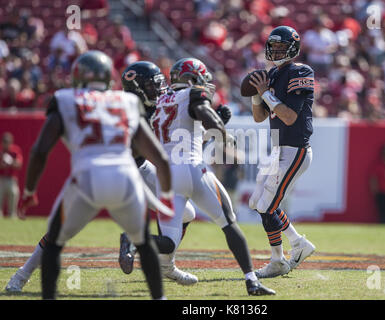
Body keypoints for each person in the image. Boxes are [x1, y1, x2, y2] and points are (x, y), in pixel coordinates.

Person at [7, 50, 174, 300]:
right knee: (144, 242)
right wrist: (168, 194)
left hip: (87, 178)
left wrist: (29, 191)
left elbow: (40, 150)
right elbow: (160, 157)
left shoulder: (64, 99)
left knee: (55, 240)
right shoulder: (127, 103)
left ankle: (26, 280)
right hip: (125, 177)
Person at [150, 57, 275, 296]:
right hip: (194, 168)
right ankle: (252, 281)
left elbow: (182, 135)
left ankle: (134, 241)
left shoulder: (159, 103)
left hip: (167, 175)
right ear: (193, 78)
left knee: (168, 242)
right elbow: (205, 115)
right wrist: (222, 133)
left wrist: (210, 131)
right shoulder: (193, 94)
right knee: (228, 222)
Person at [118, 61, 198, 285]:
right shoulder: (131, 112)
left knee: (187, 214)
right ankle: (135, 242)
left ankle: (165, 266)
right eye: (153, 86)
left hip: (141, 168)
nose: (160, 89)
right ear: (139, 88)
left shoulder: (152, 105)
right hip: (126, 174)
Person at [248, 26, 316, 278]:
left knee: (267, 205)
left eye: (280, 47)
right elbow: (258, 117)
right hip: (279, 150)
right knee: (257, 202)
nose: (275, 51)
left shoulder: (301, 71)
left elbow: (288, 117)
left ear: (293, 48)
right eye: (272, 46)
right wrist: (258, 95)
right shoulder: (274, 74)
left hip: (295, 148)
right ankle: (298, 243)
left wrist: (266, 92)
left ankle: (277, 261)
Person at [0, 132, 23, 218]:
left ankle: (12, 216)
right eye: (4, 142)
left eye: (8, 142)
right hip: (1, 179)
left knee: (13, 196)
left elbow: (19, 164)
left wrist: (10, 162)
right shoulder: (0, 151)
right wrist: (3, 164)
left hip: (11, 179)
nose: (6, 144)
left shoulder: (15, 150)